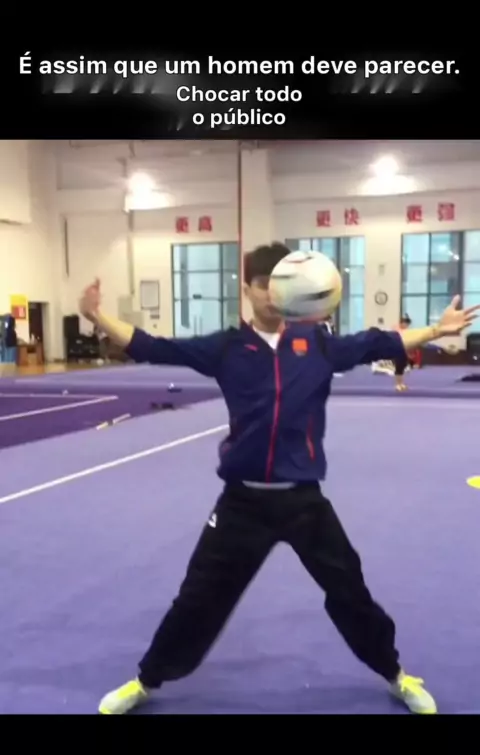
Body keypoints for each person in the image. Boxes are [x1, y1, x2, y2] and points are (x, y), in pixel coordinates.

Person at [79, 242, 479, 716]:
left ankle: (395, 675)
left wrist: (436, 329)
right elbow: (152, 346)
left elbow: (379, 342)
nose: (272, 293)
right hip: (242, 505)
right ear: (246, 290)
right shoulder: (227, 348)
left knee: (350, 590)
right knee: (197, 599)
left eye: (280, 284)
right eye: (262, 284)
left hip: (303, 502)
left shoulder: (318, 345)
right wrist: (98, 316)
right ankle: (146, 681)